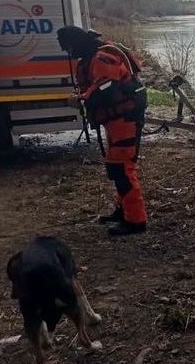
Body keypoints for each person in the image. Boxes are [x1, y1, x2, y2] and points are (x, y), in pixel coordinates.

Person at [57, 26, 148, 236]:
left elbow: (105, 90)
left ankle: (136, 221)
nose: (70, 53)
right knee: (117, 168)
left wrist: (80, 99)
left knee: (123, 169)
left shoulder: (102, 57)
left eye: (69, 48)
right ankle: (124, 210)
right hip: (116, 119)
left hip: (125, 118)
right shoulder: (93, 56)